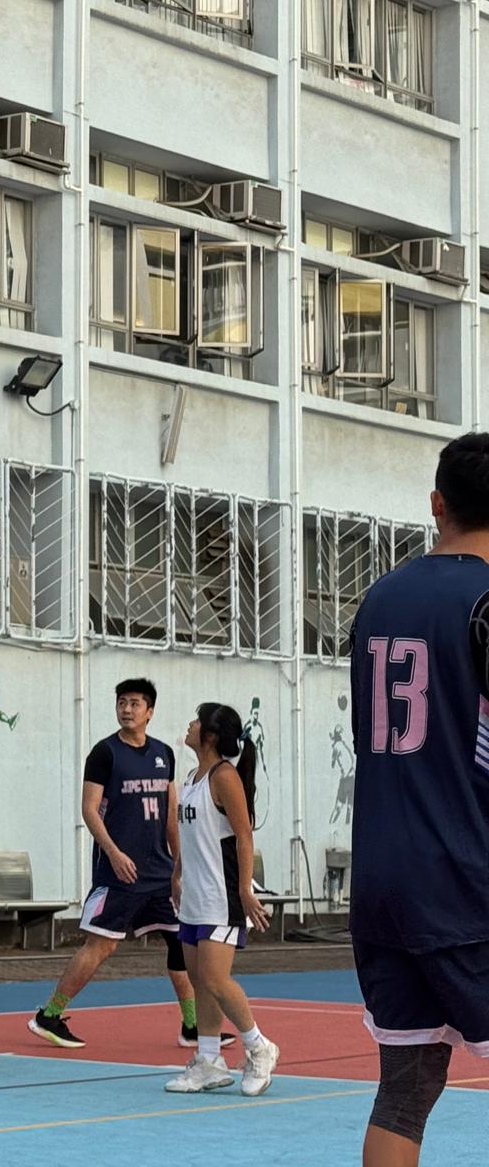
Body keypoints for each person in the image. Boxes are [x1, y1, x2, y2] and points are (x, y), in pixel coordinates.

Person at [349, 433, 489, 1167]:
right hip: (467, 878)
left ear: (437, 504)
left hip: (382, 878)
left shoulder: (379, 598)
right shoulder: (486, 602)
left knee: (404, 1091)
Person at [28, 679, 219, 1051]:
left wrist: (179, 866)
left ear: (150, 711)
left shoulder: (164, 753)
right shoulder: (105, 753)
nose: (127, 709)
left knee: (182, 942)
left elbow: (171, 814)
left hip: (160, 873)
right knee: (100, 947)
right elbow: (89, 809)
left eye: (134, 703)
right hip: (119, 873)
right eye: (122, 703)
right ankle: (49, 1014)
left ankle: (192, 1024)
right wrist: (114, 853)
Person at [165, 703, 276, 1097]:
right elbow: (191, 835)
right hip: (194, 895)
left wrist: (245, 889)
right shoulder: (192, 777)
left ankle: (259, 1048)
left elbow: (244, 834)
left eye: (196, 720)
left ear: (210, 735)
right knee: (200, 981)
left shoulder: (224, 776)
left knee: (216, 978)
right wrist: (177, 872)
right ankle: (209, 1061)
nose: (189, 724)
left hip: (221, 895)